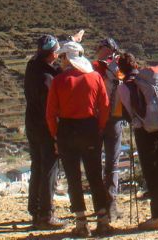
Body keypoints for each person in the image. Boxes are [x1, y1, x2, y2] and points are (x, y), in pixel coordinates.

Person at [46, 41, 112, 237]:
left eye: (63, 57)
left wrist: (55, 135)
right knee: (94, 175)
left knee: (73, 177)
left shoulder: (59, 81)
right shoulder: (95, 77)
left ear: (68, 58)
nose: (61, 61)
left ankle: (81, 222)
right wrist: (99, 127)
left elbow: (50, 114)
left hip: (67, 130)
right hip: (90, 128)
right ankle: (103, 220)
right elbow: (105, 106)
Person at [115, 52, 158, 230]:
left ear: (121, 69)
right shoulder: (149, 81)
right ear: (136, 65)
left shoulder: (123, 87)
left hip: (143, 131)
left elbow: (126, 113)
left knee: (151, 172)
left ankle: (157, 216)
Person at [24, 35, 65, 230]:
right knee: (49, 167)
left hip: (32, 124)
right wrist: (56, 134)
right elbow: (50, 109)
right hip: (45, 126)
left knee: (37, 165)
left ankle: (35, 208)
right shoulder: (47, 78)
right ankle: (46, 214)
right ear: (53, 54)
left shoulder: (32, 67)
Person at [92, 37, 123, 222]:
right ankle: (111, 204)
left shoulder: (92, 67)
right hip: (116, 118)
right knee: (113, 163)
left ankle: (100, 205)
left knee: (95, 162)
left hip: (95, 119)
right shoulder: (120, 68)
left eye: (100, 47)